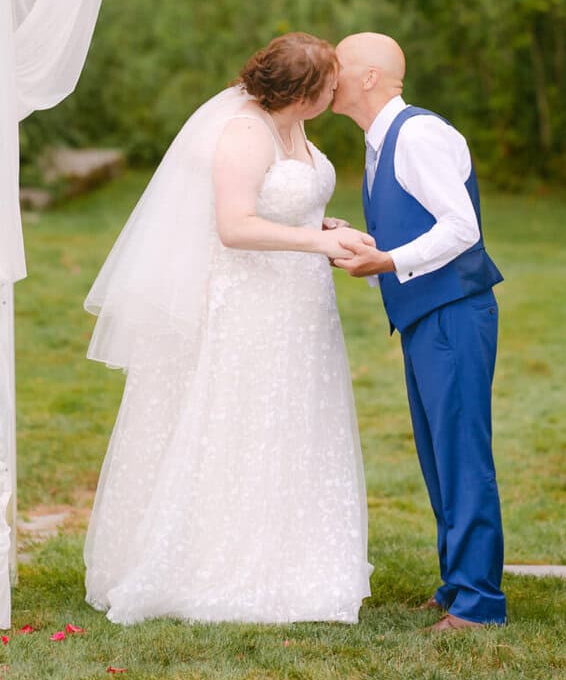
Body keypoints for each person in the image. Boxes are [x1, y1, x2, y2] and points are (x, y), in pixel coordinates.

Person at [82, 33, 375, 624]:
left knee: (295, 421)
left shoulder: (292, 125)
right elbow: (235, 225)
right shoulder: (244, 132)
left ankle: (295, 561)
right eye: (328, 84)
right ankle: (216, 566)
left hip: (299, 305)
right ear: (302, 93)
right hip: (253, 306)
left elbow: (281, 205)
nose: (336, 91)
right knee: (243, 422)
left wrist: (326, 225)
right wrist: (317, 240)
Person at [329, 32, 507, 632]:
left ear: (371, 77)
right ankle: (457, 585)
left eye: (340, 63)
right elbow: (416, 226)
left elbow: (461, 228)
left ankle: (480, 603)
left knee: (460, 454)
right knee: (438, 456)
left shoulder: (419, 136)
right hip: (427, 313)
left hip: (454, 313)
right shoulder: (381, 144)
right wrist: (360, 241)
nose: (330, 72)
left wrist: (386, 262)